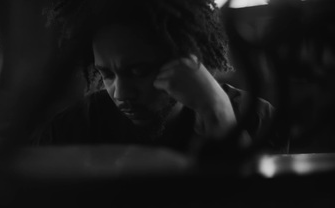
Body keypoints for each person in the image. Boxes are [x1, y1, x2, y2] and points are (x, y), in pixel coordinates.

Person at [34, 0, 286, 154]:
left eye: (139, 71)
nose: (121, 94)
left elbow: (262, 207)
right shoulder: (69, 131)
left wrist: (217, 111)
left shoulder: (259, 120)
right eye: (107, 74)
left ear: (187, 57)